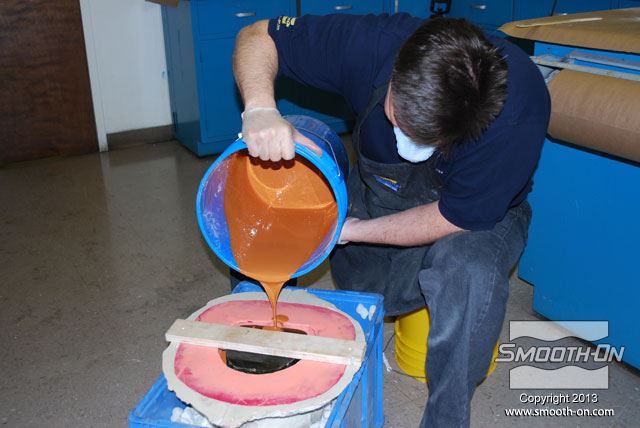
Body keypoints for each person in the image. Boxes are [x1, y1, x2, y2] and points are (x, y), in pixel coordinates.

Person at [232, 12, 550, 427]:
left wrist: (351, 231)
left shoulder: (517, 109)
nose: (408, 142)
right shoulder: (372, 43)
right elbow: (257, 35)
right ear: (396, 72)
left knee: (468, 274)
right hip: (380, 196)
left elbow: (455, 217)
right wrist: (259, 109)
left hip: (466, 219)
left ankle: (446, 419)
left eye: (428, 137)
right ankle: (261, 368)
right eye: (400, 121)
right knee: (271, 183)